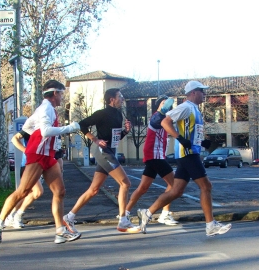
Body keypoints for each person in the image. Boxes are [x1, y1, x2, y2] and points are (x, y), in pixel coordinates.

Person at [0, 79, 81, 243]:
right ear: (54, 93)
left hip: (47, 156)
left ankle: (60, 231)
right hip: (38, 155)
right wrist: (70, 128)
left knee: (60, 192)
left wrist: (34, 134)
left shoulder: (46, 109)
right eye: (61, 93)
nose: (62, 97)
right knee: (23, 191)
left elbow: (28, 127)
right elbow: (45, 131)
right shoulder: (46, 108)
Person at [137, 80, 232, 237]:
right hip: (187, 154)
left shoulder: (195, 109)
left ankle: (147, 212)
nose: (205, 94)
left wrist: (202, 142)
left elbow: (191, 133)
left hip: (189, 153)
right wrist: (179, 138)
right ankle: (210, 225)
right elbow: (165, 122)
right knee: (206, 186)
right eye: (202, 91)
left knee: (176, 191)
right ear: (193, 92)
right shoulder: (186, 107)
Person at [63, 88, 140, 234]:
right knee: (125, 183)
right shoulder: (102, 113)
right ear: (111, 99)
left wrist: (125, 131)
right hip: (103, 152)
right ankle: (123, 220)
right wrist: (95, 139)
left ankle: (69, 216)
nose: (122, 99)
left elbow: (114, 139)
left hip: (111, 151)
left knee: (94, 190)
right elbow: (82, 125)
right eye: (120, 96)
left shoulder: (118, 114)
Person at [125, 96, 179, 226]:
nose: (167, 106)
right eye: (164, 103)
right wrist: (164, 109)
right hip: (155, 157)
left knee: (142, 188)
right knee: (175, 185)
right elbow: (156, 120)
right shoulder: (156, 117)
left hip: (154, 157)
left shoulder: (166, 120)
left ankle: (124, 214)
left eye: (169, 105)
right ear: (159, 104)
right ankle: (164, 214)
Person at [4, 130, 44, 229]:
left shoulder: (47, 129)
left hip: (39, 165)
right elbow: (14, 139)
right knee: (37, 192)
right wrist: (26, 150)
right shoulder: (31, 127)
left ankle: (11, 216)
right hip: (27, 165)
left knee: (26, 194)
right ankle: (15, 216)